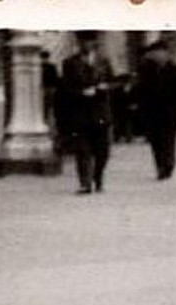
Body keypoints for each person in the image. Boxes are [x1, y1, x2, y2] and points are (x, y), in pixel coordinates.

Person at [61, 32, 113, 193]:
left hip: (101, 112)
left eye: (89, 41)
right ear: (78, 43)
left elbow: (112, 81)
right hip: (80, 113)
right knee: (82, 149)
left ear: (94, 43)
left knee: (102, 151)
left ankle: (98, 177)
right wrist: (81, 93)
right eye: (83, 41)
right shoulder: (69, 63)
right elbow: (65, 89)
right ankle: (85, 183)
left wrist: (105, 87)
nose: (86, 45)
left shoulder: (104, 61)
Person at [135, 40, 176, 180]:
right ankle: (160, 166)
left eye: (161, 52)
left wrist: (174, 101)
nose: (158, 55)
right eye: (155, 52)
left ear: (166, 53)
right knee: (156, 141)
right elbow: (141, 90)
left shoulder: (175, 69)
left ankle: (169, 163)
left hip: (170, 111)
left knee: (169, 139)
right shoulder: (145, 69)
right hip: (152, 111)